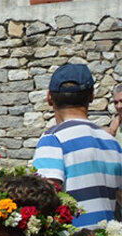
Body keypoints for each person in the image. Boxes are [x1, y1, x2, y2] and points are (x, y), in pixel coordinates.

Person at [32, 63, 122, 227]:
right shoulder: (112, 143)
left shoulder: (53, 139)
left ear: (49, 97)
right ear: (92, 96)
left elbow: (44, 199)